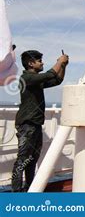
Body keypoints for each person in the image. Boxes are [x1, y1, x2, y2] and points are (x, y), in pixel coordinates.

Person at [11, 50, 68, 192]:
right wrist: (59, 62)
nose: (42, 62)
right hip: (27, 125)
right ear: (30, 63)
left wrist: (64, 66)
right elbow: (50, 74)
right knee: (22, 160)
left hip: (35, 125)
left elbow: (57, 80)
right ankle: (15, 194)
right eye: (39, 60)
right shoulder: (27, 79)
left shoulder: (36, 81)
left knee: (31, 160)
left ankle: (29, 189)